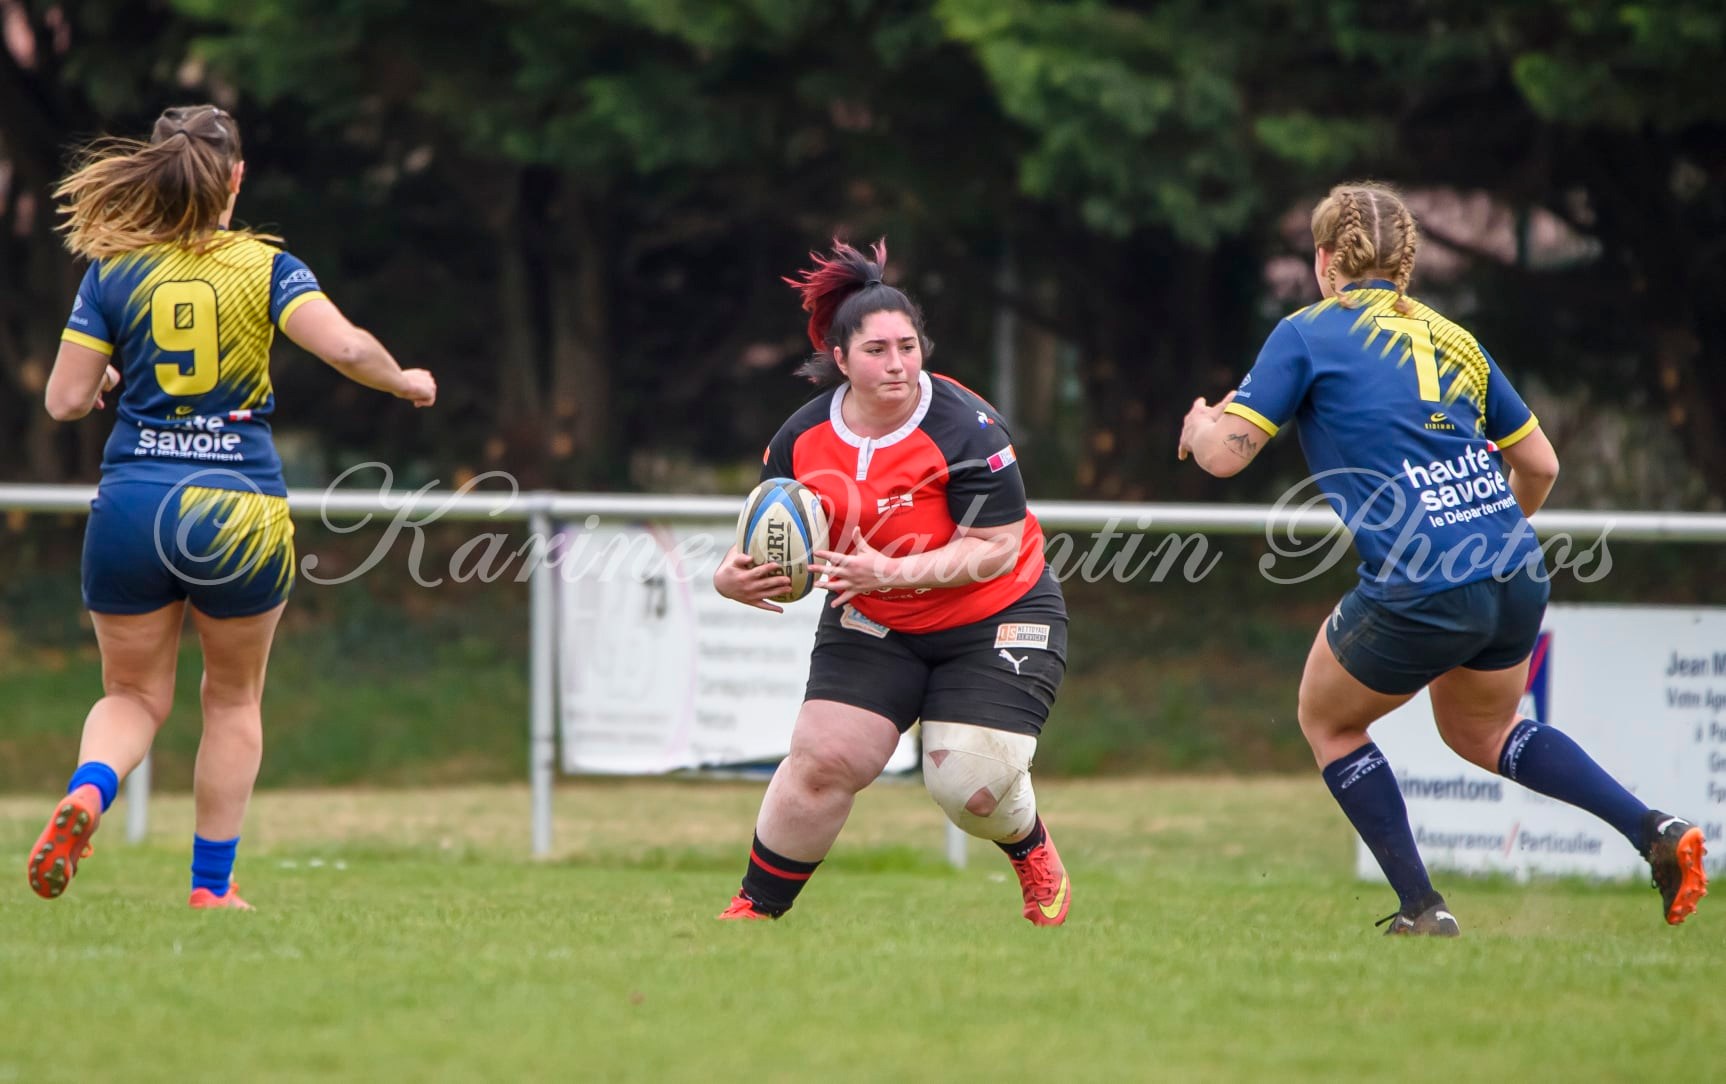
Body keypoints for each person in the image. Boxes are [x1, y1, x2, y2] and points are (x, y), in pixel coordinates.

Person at [1178, 180, 1707, 935]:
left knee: (1326, 721)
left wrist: (1203, 425)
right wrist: (1481, 534)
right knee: (1484, 734)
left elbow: (1227, 458)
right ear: (1408, 265)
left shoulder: (1307, 331)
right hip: (1513, 568)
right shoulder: (1452, 337)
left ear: (1325, 260)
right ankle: (1652, 828)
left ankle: (1422, 909)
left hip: (1425, 581)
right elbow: (1543, 466)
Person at [27, 104, 436, 910]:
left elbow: (63, 401)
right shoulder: (268, 266)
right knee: (233, 698)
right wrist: (404, 380)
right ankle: (211, 888)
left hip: (134, 503)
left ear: (155, 170)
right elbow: (347, 346)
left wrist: (110, 379)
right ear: (237, 176)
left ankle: (87, 791)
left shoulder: (112, 271)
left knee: (134, 697)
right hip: (239, 508)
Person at [712, 239, 1072, 925]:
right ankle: (754, 915)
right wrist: (736, 576)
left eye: (908, 346)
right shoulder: (801, 437)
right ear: (839, 358)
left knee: (968, 783)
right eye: (877, 350)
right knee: (822, 761)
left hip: (997, 611)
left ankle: (1030, 849)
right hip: (874, 617)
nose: (898, 363)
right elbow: (776, 532)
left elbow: (996, 549)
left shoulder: (968, 428)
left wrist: (893, 569)